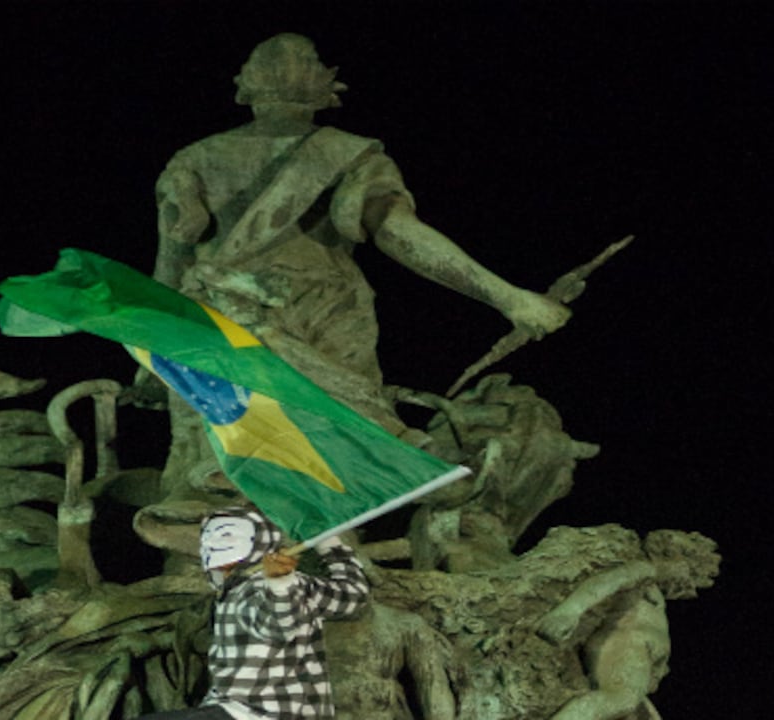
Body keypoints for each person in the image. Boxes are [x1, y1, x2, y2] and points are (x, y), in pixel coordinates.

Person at [149, 33, 571, 495]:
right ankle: (335, 555)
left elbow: (171, 261)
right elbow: (397, 233)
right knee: (337, 457)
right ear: (325, 85)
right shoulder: (351, 156)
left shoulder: (192, 160)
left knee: (215, 462)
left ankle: (208, 556)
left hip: (214, 321)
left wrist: (148, 349)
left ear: (246, 85)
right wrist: (510, 298)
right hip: (323, 312)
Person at [135, 506, 369, 719]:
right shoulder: (233, 592)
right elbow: (354, 595)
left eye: (227, 534)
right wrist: (328, 541)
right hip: (227, 709)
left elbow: (279, 624)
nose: (214, 542)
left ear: (258, 540)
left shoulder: (265, 585)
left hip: (259, 712)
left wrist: (280, 584)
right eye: (207, 536)